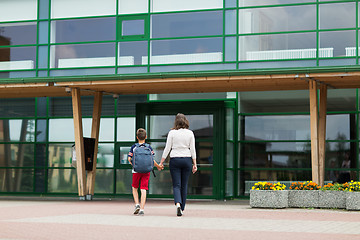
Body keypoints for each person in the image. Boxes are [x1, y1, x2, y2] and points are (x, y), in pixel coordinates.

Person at [159, 113, 197, 217]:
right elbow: (193, 149)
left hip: (175, 159)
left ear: (176, 121)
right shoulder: (190, 133)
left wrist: (161, 162)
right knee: (184, 185)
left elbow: (167, 148)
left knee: (176, 185)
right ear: (186, 121)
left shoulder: (172, 133)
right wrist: (195, 164)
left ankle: (178, 204)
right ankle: (182, 208)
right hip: (187, 159)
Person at [128, 128, 163, 216]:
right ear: (146, 137)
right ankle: (142, 209)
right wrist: (158, 166)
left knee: (134, 188)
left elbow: (129, 158)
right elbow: (152, 160)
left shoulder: (134, 147)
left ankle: (137, 205)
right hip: (146, 171)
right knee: (143, 189)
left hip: (136, 171)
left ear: (137, 137)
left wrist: (133, 164)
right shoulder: (149, 147)